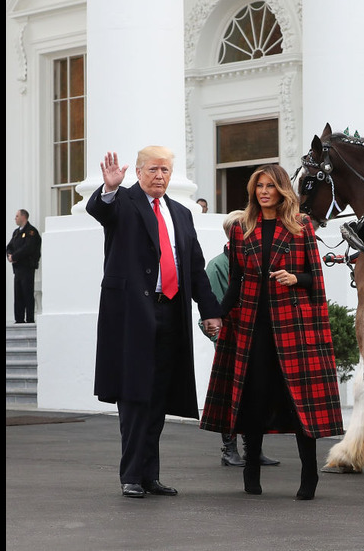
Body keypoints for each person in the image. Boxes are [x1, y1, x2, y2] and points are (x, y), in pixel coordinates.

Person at [200, 164, 344, 500]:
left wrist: (296, 279)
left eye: (270, 186)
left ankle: (309, 473)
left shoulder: (301, 226)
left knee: (299, 403)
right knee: (254, 399)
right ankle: (251, 469)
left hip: (293, 328)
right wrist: (216, 314)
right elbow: (235, 281)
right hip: (251, 328)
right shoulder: (241, 229)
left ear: (282, 190)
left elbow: (314, 279)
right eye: (259, 186)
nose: (264, 192)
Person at [86, 146, 223, 499]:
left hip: (171, 312)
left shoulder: (180, 212)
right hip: (133, 315)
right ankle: (131, 475)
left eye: (165, 170)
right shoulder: (124, 203)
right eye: (153, 169)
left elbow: (194, 267)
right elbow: (100, 210)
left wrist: (209, 310)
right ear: (139, 172)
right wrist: (110, 189)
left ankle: (150, 475)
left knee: (158, 397)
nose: (159, 176)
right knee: (134, 397)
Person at [200, 210, 280, 468]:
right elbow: (210, 309)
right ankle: (229, 449)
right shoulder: (217, 266)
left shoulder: (255, 261)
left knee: (255, 395)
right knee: (231, 396)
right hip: (231, 340)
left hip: (256, 338)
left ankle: (252, 450)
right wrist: (219, 334)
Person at [7, 209, 42, 323]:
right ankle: (19, 319)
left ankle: (30, 319)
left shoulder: (31, 232)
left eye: (17, 216)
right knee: (18, 295)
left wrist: (15, 256)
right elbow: (10, 246)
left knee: (27, 293)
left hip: (27, 268)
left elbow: (28, 248)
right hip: (17, 269)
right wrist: (9, 255)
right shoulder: (16, 232)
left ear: (23, 217)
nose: (15, 218)